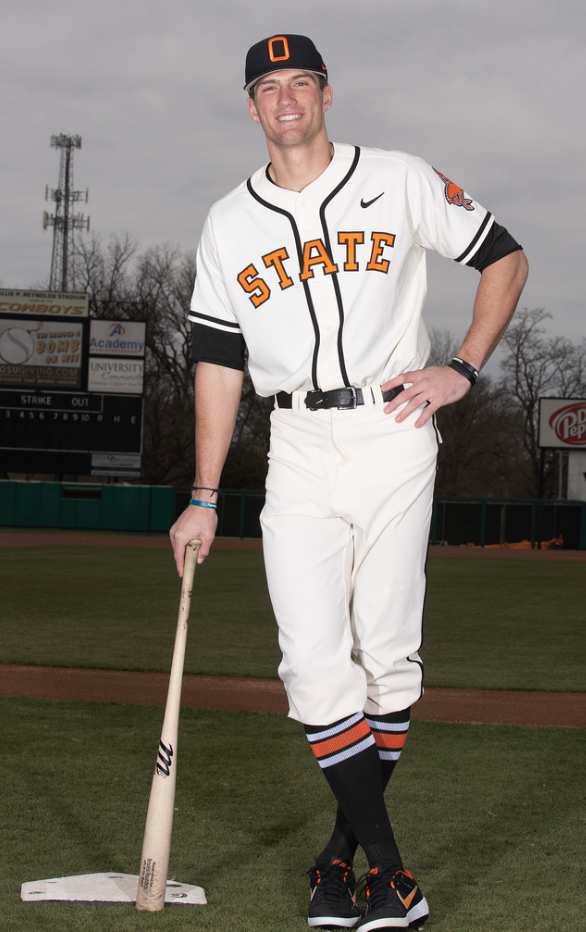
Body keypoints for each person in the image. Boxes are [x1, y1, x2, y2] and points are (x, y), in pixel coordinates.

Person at [170, 34, 528, 930]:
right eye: (267, 87)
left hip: (392, 428)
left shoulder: (400, 179)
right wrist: (205, 495)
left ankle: (344, 866)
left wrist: (465, 368)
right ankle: (386, 871)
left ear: (328, 94)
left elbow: (503, 255)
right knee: (312, 662)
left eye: (300, 83)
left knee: (386, 655)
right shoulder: (229, 222)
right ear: (251, 107)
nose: (285, 99)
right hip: (292, 440)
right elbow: (216, 363)